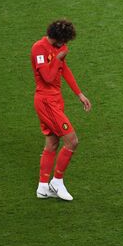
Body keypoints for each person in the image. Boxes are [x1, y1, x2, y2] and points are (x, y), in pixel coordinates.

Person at [31, 19, 91, 201]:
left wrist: (79, 94)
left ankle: (42, 187)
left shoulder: (59, 47)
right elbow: (48, 78)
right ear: (56, 38)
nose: (65, 45)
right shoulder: (38, 49)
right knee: (72, 141)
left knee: (52, 143)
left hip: (56, 100)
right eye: (64, 41)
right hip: (46, 101)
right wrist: (58, 57)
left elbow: (64, 70)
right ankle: (57, 181)